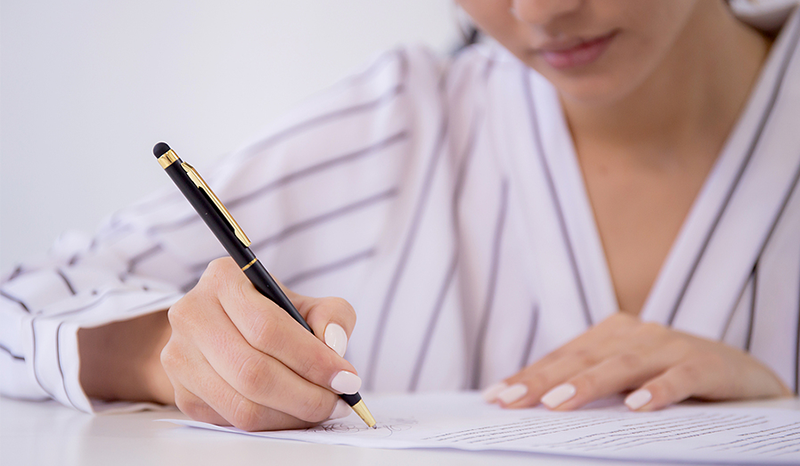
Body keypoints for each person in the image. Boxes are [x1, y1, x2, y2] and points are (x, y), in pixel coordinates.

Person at [1, 0, 798, 431]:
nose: (543, 9)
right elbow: (19, 297)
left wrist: (782, 418)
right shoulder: (399, 124)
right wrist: (163, 352)